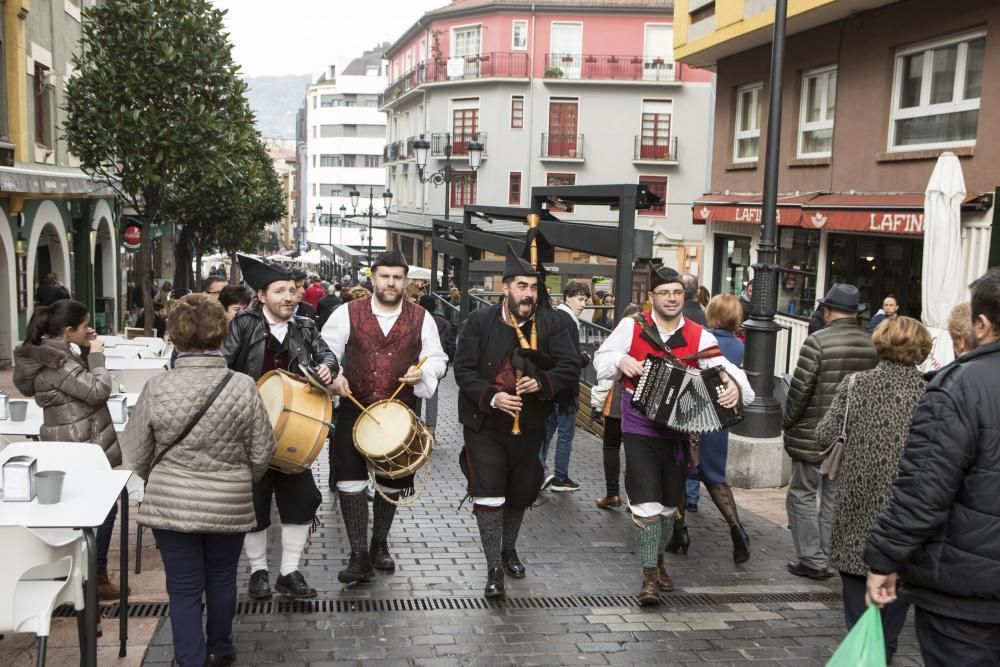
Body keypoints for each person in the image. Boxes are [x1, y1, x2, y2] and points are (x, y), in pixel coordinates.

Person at [122, 294, 276, 667]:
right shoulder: (241, 386)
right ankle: (221, 647)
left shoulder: (157, 387)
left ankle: (189, 658)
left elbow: (136, 453)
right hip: (230, 501)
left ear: (173, 338)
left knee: (183, 586)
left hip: (172, 504)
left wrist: (161, 477)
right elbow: (262, 451)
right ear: (221, 335)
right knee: (223, 577)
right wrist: (239, 478)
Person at [594, 268, 753, 605]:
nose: (671, 298)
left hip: (679, 433)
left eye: (677, 292)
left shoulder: (699, 335)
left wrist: (735, 390)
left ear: (685, 296)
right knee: (646, 501)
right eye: (664, 292)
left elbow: (728, 371)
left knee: (669, 507)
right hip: (638, 427)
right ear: (651, 296)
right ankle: (649, 578)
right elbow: (601, 359)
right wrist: (622, 360)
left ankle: (660, 562)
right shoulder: (633, 326)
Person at [866, 268, 1000, 666]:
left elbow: (924, 491)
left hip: (965, 597)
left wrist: (884, 558)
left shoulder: (958, 386)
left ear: (982, 323)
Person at [454, 245, 580, 597]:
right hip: (486, 425)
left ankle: (509, 548)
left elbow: (570, 366)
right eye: (522, 286)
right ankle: (494, 566)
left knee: (520, 493)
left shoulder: (552, 324)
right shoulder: (479, 322)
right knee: (490, 492)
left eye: (534, 287)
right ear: (505, 287)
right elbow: (463, 370)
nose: (528, 293)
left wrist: (542, 382)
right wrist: (493, 395)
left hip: (530, 426)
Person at [321, 251, 448, 584]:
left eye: (397, 277)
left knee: (391, 484)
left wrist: (423, 374)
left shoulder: (422, 318)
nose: (391, 282)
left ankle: (379, 543)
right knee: (350, 482)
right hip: (353, 409)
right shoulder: (345, 313)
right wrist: (333, 376)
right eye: (385, 276)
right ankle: (358, 555)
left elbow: (437, 359)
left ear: (405, 281)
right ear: (372, 277)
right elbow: (325, 353)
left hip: (399, 414)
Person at [814, 316, 931, 664]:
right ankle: (885, 653)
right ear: (921, 349)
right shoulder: (930, 392)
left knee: (858, 612)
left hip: (856, 512)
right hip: (905, 517)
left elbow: (824, 435)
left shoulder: (855, 385)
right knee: (892, 616)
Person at [222, 255, 339, 600]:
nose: (290, 297)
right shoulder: (243, 325)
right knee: (254, 505)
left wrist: (328, 369)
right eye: (280, 291)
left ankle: (289, 571)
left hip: (295, 431)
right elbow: (223, 366)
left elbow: (327, 356)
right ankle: (259, 571)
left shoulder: (305, 327)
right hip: (250, 429)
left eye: (292, 290)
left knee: (301, 502)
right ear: (262, 296)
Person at [13, 299, 124, 599]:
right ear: (68, 330)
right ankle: (93, 576)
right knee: (101, 508)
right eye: (85, 326)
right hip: (80, 442)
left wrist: (86, 351)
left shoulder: (56, 355)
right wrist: (98, 357)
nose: (90, 330)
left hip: (71, 439)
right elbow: (97, 390)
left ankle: (85, 572)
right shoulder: (56, 362)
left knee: (89, 508)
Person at [783, 283, 878, 579]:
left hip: (813, 433)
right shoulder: (870, 343)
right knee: (834, 497)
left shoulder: (817, 342)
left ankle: (812, 558)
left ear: (827, 310)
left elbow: (799, 391)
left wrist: (787, 421)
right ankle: (827, 554)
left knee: (802, 493)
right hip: (848, 437)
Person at [685, 294, 753, 563]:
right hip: (718, 417)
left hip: (693, 413)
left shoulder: (701, 339)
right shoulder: (738, 346)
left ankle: (679, 531)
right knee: (715, 476)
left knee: (679, 471)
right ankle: (736, 528)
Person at [540, 280, 592, 492]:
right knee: (565, 435)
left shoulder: (554, 317)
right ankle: (560, 477)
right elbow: (568, 358)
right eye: (580, 299)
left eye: (585, 300)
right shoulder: (568, 321)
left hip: (551, 386)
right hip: (565, 389)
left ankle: (538, 470)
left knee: (547, 432)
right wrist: (583, 359)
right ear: (568, 297)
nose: (583, 304)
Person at [592, 303, 642, 509]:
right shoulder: (648, 332)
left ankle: (613, 494)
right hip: (639, 400)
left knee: (611, 445)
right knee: (635, 450)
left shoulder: (621, 336)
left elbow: (604, 374)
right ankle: (634, 498)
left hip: (620, 397)